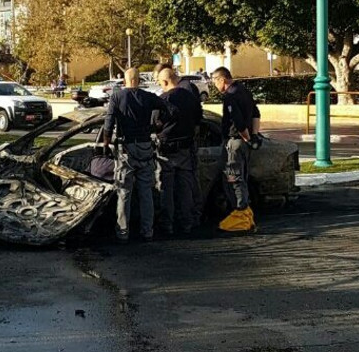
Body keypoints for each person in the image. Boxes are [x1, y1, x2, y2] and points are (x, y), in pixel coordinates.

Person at [103, 67, 168, 242]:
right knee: (146, 191)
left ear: (125, 81)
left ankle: (123, 232)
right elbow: (166, 107)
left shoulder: (117, 97)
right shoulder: (148, 97)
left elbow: (109, 122)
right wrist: (158, 123)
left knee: (124, 191)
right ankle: (147, 231)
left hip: (127, 148)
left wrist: (105, 143)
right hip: (145, 146)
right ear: (139, 80)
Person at [211, 66, 261, 232]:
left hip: (235, 142)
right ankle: (246, 214)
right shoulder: (244, 91)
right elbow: (256, 113)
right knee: (242, 177)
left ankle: (240, 214)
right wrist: (253, 136)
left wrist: (246, 137)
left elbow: (238, 122)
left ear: (222, 80)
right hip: (244, 142)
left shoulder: (230, 96)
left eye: (214, 82)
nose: (215, 86)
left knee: (233, 178)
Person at [156, 67, 203, 236]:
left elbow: (156, 124)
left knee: (166, 189)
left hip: (167, 150)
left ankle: (167, 224)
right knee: (186, 189)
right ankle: (187, 223)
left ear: (165, 82)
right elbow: (198, 120)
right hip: (186, 148)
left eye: (160, 83)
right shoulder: (191, 98)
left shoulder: (163, 100)